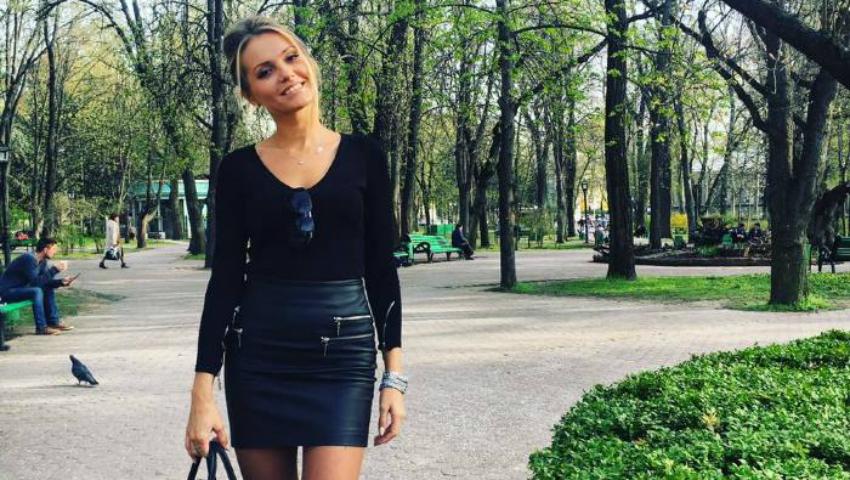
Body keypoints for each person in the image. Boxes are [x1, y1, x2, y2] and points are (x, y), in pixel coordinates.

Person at [185, 16, 406, 480]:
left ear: (308, 62)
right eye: (265, 71)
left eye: (291, 58)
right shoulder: (238, 170)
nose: (286, 74)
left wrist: (393, 377)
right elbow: (225, 281)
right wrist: (202, 395)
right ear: (250, 94)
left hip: (343, 357)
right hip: (258, 357)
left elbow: (381, 271)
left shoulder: (365, 156)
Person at [0, 237, 78, 335]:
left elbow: (45, 281)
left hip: (19, 289)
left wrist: (61, 282)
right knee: (37, 291)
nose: (55, 252)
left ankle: (53, 322)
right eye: (53, 249)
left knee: (46, 287)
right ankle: (41, 328)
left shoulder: (42, 261)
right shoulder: (28, 259)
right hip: (6, 292)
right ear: (45, 249)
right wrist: (54, 270)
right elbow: (35, 283)